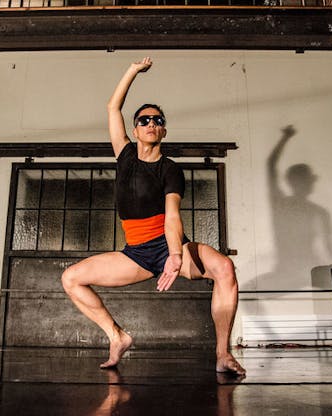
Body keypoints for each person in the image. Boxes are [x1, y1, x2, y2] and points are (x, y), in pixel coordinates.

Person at [61, 57, 245, 375]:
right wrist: (133, 71)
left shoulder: (170, 169)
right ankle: (117, 336)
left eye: (157, 120)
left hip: (168, 243)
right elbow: (111, 108)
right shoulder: (126, 155)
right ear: (135, 129)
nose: (150, 124)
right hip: (138, 253)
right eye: (144, 120)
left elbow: (172, 216)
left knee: (224, 268)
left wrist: (176, 255)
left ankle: (222, 353)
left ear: (164, 130)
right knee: (71, 279)